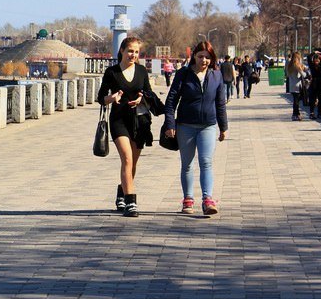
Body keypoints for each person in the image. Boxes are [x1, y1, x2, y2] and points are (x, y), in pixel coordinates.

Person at [164, 41, 228, 216]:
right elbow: (170, 101)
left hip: (208, 125)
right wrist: (170, 124)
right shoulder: (183, 74)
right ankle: (188, 199)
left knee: (206, 162)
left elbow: (220, 103)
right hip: (186, 126)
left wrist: (223, 127)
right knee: (187, 164)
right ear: (194, 56)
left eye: (207, 57)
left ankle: (208, 200)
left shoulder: (216, 75)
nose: (204, 60)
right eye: (201, 56)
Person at [96, 37, 153, 217]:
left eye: (136, 52)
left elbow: (148, 93)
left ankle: (122, 191)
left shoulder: (142, 71)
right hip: (118, 121)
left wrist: (141, 99)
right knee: (127, 159)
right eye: (130, 51)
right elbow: (101, 98)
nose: (133, 55)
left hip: (138, 122)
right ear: (121, 51)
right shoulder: (112, 72)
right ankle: (131, 202)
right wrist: (111, 99)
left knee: (133, 163)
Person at [286, 52, 308, 121]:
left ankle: (296, 114)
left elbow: (287, 74)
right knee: (297, 101)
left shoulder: (289, 65)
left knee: (295, 100)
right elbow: (303, 75)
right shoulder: (297, 65)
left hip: (291, 84)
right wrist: (305, 70)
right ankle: (295, 114)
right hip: (297, 85)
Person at [308, 53, 321, 119]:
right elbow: (308, 57)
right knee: (313, 99)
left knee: (320, 99)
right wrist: (315, 53)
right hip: (314, 84)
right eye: (315, 60)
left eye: (318, 60)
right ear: (313, 61)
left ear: (320, 60)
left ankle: (319, 113)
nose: (316, 62)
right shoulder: (312, 66)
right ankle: (312, 113)